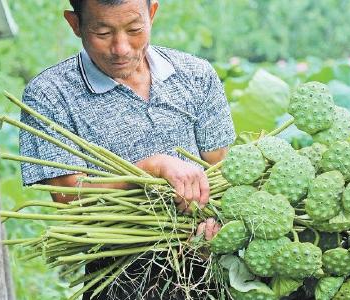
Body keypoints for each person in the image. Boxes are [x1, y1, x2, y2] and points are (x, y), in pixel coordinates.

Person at [19, 0, 236, 299]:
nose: (121, 48)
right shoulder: (51, 94)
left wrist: (217, 225)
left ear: (153, 14)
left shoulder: (196, 75)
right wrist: (149, 168)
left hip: (207, 270)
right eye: (103, 32)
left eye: (134, 29)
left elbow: (223, 170)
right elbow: (68, 197)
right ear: (75, 24)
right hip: (118, 278)